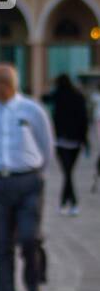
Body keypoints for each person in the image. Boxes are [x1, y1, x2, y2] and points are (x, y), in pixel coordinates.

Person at [0, 62, 54, 291]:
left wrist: (38, 175)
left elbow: (46, 145)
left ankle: (33, 285)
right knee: (2, 244)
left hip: (28, 182)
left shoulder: (32, 110)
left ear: (5, 85)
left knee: (29, 238)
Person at [49, 74, 89, 216]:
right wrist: (85, 140)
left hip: (61, 140)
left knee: (67, 173)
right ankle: (70, 203)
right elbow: (84, 119)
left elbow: (44, 97)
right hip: (76, 141)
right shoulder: (79, 97)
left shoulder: (58, 96)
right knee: (68, 172)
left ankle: (67, 202)